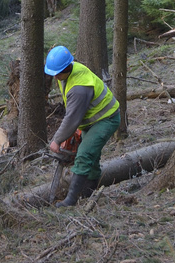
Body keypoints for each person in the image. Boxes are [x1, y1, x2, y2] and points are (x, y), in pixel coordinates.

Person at [44, 46, 121, 206]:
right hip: (92, 120)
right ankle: (89, 193)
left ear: (65, 68)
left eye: (56, 73)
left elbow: (72, 118)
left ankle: (71, 200)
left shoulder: (79, 88)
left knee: (84, 154)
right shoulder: (67, 75)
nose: (55, 77)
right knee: (91, 159)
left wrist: (57, 140)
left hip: (106, 119)